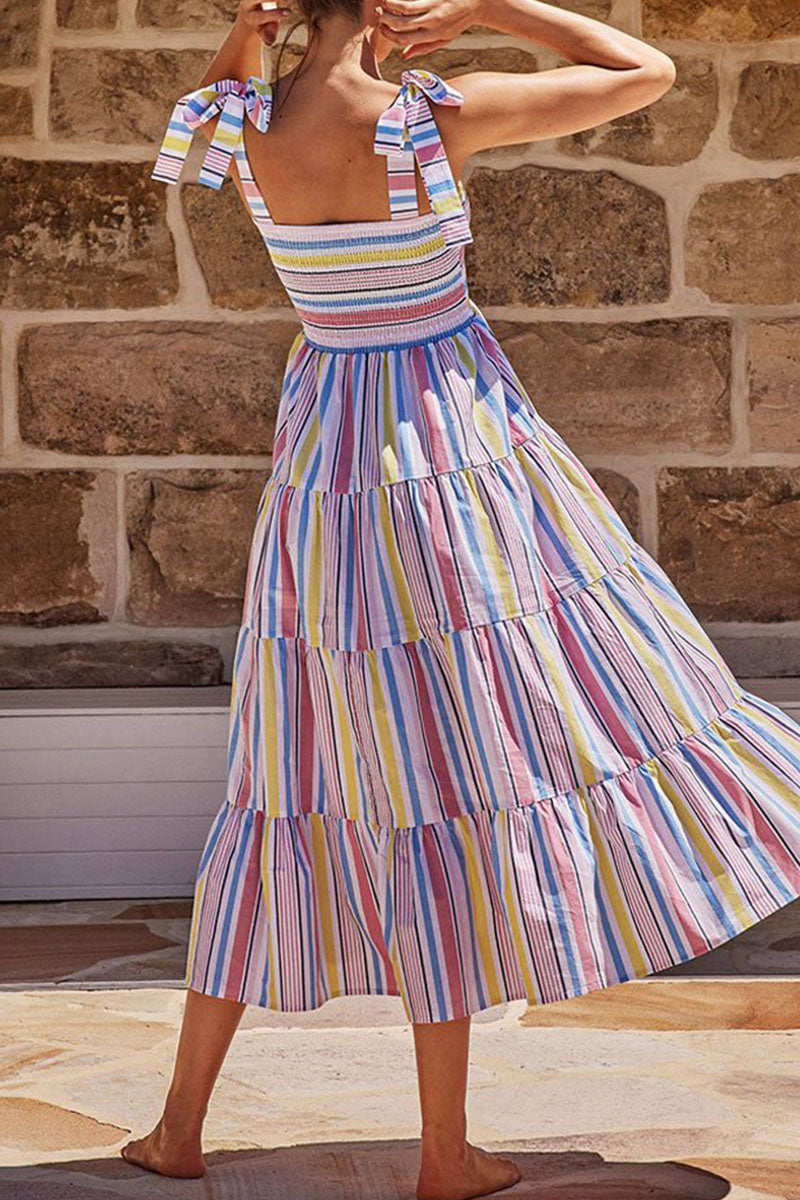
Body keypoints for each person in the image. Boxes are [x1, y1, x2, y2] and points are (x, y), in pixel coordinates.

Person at [121, 1, 800, 1197]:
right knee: (448, 773)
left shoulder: (241, 118)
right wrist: (487, 11)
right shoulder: (433, 117)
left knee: (286, 781)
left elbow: (218, 99)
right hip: (449, 463)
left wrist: (250, 38)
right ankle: (443, 1152)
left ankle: (178, 1130)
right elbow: (642, 69)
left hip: (323, 481)